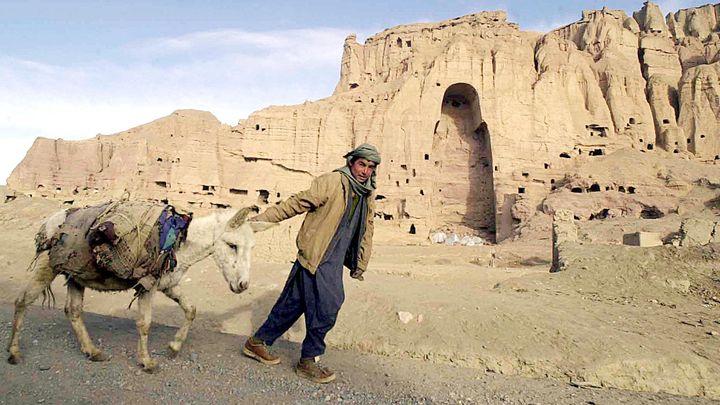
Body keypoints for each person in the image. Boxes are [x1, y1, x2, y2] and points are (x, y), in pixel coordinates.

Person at [242, 144, 381, 384]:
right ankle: (309, 360)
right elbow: (295, 204)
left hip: (332, 259)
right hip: (318, 257)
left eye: (370, 167)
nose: (365, 171)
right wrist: (255, 224)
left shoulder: (367, 195)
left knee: (292, 305)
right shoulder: (332, 182)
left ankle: (257, 343)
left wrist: (361, 262)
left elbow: (367, 230)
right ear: (351, 162)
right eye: (362, 164)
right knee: (329, 305)